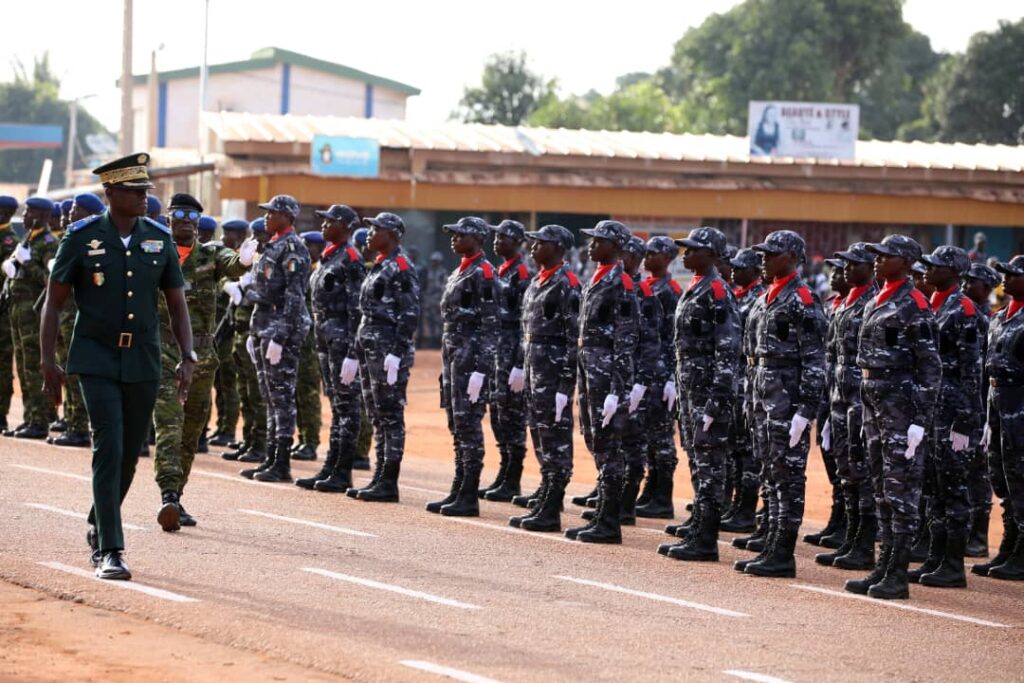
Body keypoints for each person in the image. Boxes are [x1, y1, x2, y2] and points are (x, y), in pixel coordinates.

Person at [40, 152, 193, 580]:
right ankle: (110, 548)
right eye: (135, 190)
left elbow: (176, 303)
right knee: (108, 448)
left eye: (146, 190)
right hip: (95, 356)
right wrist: (47, 361)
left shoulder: (158, 238)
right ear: (110, 193)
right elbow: (52, 304)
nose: (145, 197)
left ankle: (98, 517)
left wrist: (188, 354)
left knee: (129, 454)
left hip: (143, 356)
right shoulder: (81, 237)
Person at [845, 235, 941, 600]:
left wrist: (920, 419)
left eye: (885, 256)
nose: (877, 261)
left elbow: (930, 367)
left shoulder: (914, 304)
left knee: (901, 491)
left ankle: (897, 573)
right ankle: (883, 566)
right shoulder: (879, 298)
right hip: (874, 402)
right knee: (882, 488)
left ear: (904, 262)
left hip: (901, 407)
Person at [151, 194, 249, 530]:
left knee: (191, 430)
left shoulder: (211, 253)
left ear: (198, 221)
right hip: (161, 352)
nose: (184, 219)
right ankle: (167, 493)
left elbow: (234, 264)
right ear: (168, 218)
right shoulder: (153, 251)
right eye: (177, 213)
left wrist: (246, 259)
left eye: (190, 214)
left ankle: (176, 497)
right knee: (168, 424)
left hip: (202, 357)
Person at [737, 230, 826, 578]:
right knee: (770, 474)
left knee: (788, 477)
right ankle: (772, 543)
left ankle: (783, 553)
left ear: (791, 257)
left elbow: (815, 362)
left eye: (771, 253)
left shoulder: (802, 300)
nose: (763, 258)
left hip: (787, 403)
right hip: (763, 399)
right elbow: (754, 357)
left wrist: (805, 411)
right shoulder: (766, 297)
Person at [657, 227, 739, 562]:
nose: (685, 254)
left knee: (710, 466)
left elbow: (727, 349)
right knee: (697, 461)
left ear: (713, 255)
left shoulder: (717, 291)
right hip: (692, 388)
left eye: (693, 249)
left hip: (707, 393)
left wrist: (717, 399)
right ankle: (698, 527)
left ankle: (706, 539)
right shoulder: (698, 287)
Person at [905, 246, 982, 588]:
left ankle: (953, 564)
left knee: (953, 488)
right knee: (933, 487)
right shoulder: (933, 304)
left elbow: (971, 371)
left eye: (936, 267)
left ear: (953, 273)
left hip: (953, 412)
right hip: (933, 409)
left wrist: (965, 421)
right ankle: (935, 557)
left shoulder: (963, 310)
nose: (927, 272)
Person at [566, 220, 638, 544]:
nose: (592, 245)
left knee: (610, 446)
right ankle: (602, 514)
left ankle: (610, 521)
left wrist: (617, 389)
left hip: (607, 371)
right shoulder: (595, 278)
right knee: (595, 440)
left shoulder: (621, 283)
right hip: (589, 366)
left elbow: (625, 340)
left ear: (616, 246)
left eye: (600, 240)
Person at [508, 225, 580, 532]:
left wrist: (565, 384)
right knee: (539, 433)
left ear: (558, 248)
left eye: (541, 243)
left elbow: (574, 338)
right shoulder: (539, 281)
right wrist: (519, 365)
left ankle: (552, 506)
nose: (534, 246)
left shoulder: (568, 284)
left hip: (553, 374)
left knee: (555, 439)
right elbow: (529, 331)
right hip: (535, 368)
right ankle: (546, 492)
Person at [425, 217, 498, 517]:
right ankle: (459, 486)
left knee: (469, 424)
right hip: (454, 352)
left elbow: (491, 325)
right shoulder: (462, 269)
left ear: (478, 239)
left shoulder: (485, 273)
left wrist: (482, 370)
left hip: (471, 357)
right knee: (456, 422)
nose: (454, 239)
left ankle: (469, 493)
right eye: (453, 234)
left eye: (461, 235)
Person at [346, 212, 420, 502]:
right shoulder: (379, 265)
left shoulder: (400, 267)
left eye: (376, 229)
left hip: (388, 349)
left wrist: (397, 353)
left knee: (390, 415)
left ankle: (389, 480)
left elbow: (410, 313)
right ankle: (379, 476)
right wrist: (355, 351)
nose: (370, 233)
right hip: (371, 347)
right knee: (377, 414)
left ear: (392, 235)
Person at [814, 243, 879, 571]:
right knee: (846, 471)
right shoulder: (845, 303)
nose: (843, 272)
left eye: (852, 265)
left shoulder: (872, 303)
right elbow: (831, 356)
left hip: (860, 400)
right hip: (839, 398)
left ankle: (863, 543)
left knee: (863, 472)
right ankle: (850, 536)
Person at [239, 195, 311, 483]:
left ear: (287, 216)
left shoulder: (293, 248)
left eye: (273, 213)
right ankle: (270, 458)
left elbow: (295, 296)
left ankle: (282, 462)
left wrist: (281, 337)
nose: (267, 217)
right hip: (264, 323)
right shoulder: (273, 244)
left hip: (281, 326)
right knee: (269, 393)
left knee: (281, 395)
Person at [295, 205, 365, 493]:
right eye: (322, 221)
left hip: (342, 344)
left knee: (347, 407)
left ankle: (343, 471)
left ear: (346, 226)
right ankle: (331, 466)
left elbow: (357, 308)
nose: (323, 225)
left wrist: (352, 353)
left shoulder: (350, 258)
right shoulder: (329, 256)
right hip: (325, 342)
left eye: (330, 221)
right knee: (337, 406)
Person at [974, 255, 1024, 581]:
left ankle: (1022, 552)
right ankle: (1010, 542)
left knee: (1021, 476)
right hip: (997, 400)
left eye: (1013, 274)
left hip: (1020, 403)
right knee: (1001, 475)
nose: (1005, 278)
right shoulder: (999, 317)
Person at [49, 194, 107, 448]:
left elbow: (98, 281)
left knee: (77, 371)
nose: (70, 213)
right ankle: (73, 423)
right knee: (68, 367)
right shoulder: (73, 237)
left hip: (79, 314)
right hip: (66, 313)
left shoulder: (94, 242)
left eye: (76, 209)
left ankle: (79, 427)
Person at [480, 219, 532, 502]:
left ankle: (513, 478)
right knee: (498, 414)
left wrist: (520, 364)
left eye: (503, 238)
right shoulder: (501, 271)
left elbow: (527, 322)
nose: (497, 242)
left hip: (512, 349)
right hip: (497, 348)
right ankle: (504, 471)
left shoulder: (522, 274)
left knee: (512, 416)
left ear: (517, 242)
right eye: (496, 237)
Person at [2, 196, 59, 438]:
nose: (25, 217)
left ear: (44, 216)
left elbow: (51, 281)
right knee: (25, 367)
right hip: (18, 313)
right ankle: (30, 417)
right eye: (26, 212)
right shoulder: (28, 239)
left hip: (35, 314)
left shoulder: (48, 243)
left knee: (36, 367)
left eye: (30, 213)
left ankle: (40, 421)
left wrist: (28, 266)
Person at [804, 257, 851, 549]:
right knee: (834, 460)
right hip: (830, 394)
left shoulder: (865, 305)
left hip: (852, 399)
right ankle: (839, 519)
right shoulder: (836, 305)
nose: (835, 275)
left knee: (852, 466)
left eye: (842, 270)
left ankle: (851, 527)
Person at [634, 236, 682, 520]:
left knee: (662, 436)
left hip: (662, 371)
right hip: (649, 369)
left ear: (666, 258)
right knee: (648, 434)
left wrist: (671, 377)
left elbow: (673, 337)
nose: (647, 257)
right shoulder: (648, 286)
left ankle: (663, 495)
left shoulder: (670, 291)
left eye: (653, 253)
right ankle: (651, 490)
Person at [720, 248, 765, 536]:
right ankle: (737, 504)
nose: (733, 270)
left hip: (749, 380)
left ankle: (747, 507)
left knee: (747, 449)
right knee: (735, 447)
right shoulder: (739, 295)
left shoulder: (758, 297)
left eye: (740, 267)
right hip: (737, 378)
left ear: (754, 270)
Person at [221, 218, 270, 465]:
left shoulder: (270, 260)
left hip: (258, 331)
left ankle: (260, 443)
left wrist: (247, 291)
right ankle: (250, 439)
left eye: (260, 235)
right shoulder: (252, 259)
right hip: (242, 330)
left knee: (256, 390)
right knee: (245, 390)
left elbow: (270, 295)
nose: (256, 239)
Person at [962, 262, 999, 558]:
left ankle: (978, 536)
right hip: (967, 404)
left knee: (978, 474)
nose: (965, 285)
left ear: (986, 289)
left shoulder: (984, 319)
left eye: (972, 282)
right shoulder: (966, 315)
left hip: (979, 406)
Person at [208, 219, 250, 448]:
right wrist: (225, 283)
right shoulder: (221, 254)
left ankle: (229, 429)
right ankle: (222, 425)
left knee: (229, 382)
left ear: (243, 234)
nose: (225, 239)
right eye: (224, 234)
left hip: (233, 328)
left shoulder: (246, 256)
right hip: (218, 327)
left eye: (231, 234)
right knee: (218, 380)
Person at [292, 230, 325, 462]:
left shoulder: (322, 271)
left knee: (309, 392)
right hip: (297, 340)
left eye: (310, 247)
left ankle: (310, 441)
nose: (306, 250)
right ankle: (302, 437)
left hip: (314, 343)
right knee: (296, 391)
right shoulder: (301, 271)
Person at [0, 195, 19, 433]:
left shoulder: (10, 241)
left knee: (3, 366)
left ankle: (1, 413)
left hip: (3, 312)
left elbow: (10, 276)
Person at [419, 251, 446, 349]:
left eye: (436, 261)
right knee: (429, 321)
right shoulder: (428, 271)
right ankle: (431, 341)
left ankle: (438, 340)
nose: (434, 262)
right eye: (433, 261)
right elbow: (424, 285)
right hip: (428, 299)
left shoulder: (442, 272)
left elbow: (444, 286)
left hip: (438, 299)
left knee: (438, 321)